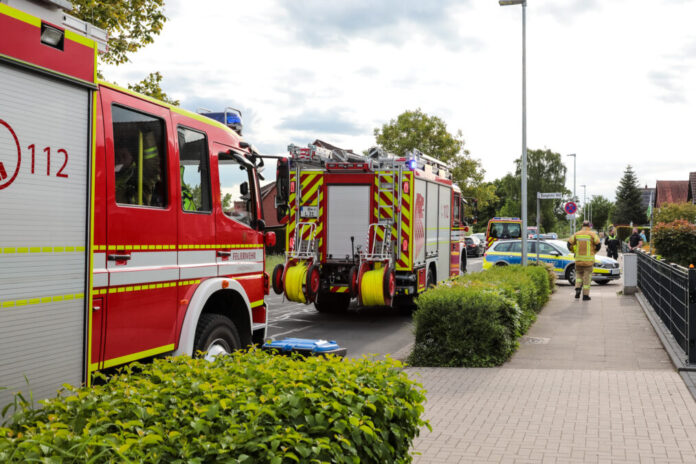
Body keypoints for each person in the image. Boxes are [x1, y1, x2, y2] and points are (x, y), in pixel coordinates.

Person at [567, 220, 601, 301]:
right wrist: (594, 252)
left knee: (578, 275)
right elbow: (598, 245)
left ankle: (578, 288)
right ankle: (585, 295)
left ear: (582, 225)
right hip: (588, 262)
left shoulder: (577, 234)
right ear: (589, 226)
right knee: (587, 278)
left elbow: (569, 244)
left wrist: (573, 251)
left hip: (578, 260)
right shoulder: (592, 234)